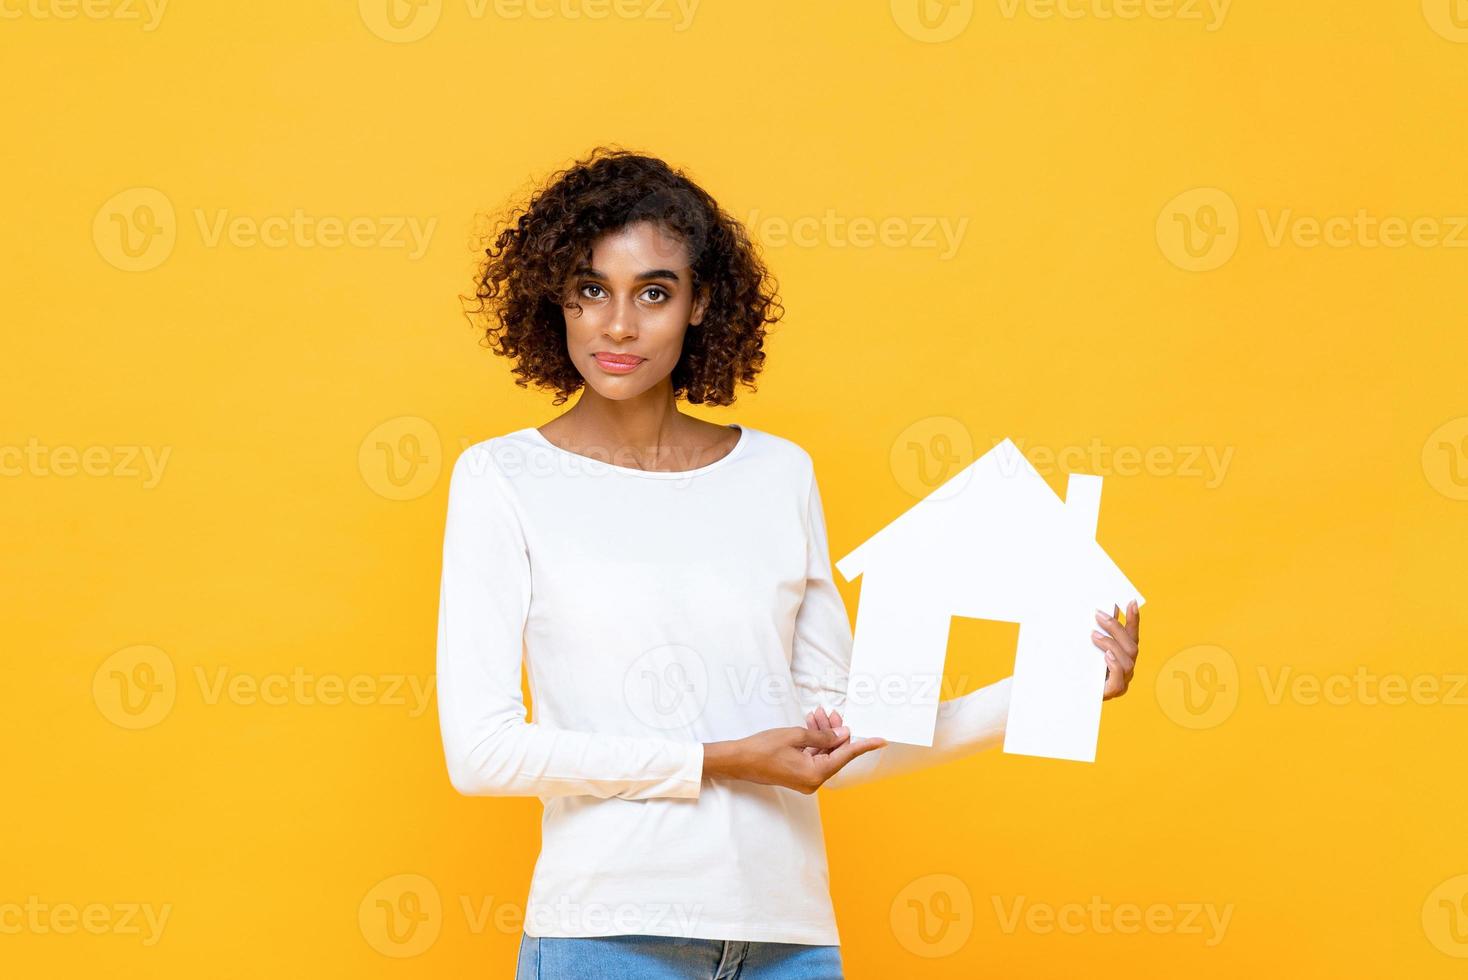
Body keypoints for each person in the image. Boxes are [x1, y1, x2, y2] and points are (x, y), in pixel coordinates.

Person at [437, 147, 1143, 979]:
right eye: (591, 290)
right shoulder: (504, 479)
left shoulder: (778, 475)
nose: (617, 325)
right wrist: (716, 760)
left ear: (700, 304)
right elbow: (481, 754)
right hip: (608, 935)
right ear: (554, 297)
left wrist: (1052, 688)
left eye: (653, 292)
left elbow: (842, 739)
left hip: (790, 941)